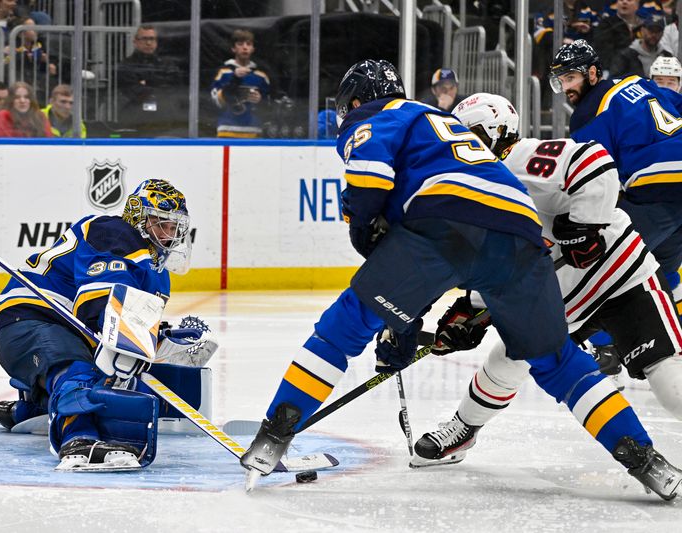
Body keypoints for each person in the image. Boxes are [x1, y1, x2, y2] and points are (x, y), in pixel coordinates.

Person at [239, 59, 682, 500]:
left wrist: (385, 286)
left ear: (356, 101)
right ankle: (644, 459)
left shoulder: (379, 115)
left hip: (447, 225)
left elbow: (372, 187)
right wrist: (411, 322)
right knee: (558, 361)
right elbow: (476, 238)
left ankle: (273, 436)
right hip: (521, 237)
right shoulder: (446, 130)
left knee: (343, 328)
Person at [411, 93, 682, 469]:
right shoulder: (478, 191)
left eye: (470, 135)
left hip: (620, 275)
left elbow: (596, 163)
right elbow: (503, 263)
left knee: (671, 385)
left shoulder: (519, 159)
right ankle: (462, 429)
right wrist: (472, 312)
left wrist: (584, 228)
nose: (464, 147)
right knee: (506, 359)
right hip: (563, 298)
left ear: (497, 131)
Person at [0, 179, 194, 468]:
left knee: (115, 372)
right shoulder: (114, 232)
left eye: (175, 227)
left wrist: (161, 337)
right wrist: (136, 340)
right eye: (161, 223)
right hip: (31, 318)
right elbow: (98, 306)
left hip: (64, 330)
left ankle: (29, 409)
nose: (169, 234)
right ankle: (78, 439)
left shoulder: (157, 271)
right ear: (138, 217)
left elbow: (120, 324)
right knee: (76, 369)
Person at [550, 40, 682, 340]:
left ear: (593, 73)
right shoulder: (637, 81)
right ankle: (673, 340)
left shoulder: (588, 112)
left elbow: (597, 176)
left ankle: (604, 347)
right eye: (561, 81)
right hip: (673, 191)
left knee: (602, 265)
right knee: (661, 267)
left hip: (656, 187)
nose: (566, 87)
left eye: (571, 77)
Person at [116, 24, 184, 136]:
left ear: (156, 42)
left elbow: (176, 88)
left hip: (167, 120)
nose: (148, 43)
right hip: (137, 121)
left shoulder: (167, 64)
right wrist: (157, 85)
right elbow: (134, 92)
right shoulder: (127, 65)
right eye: (144, 39)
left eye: (151, 39)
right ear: (135, 41)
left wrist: (147, 83)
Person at [210, 29, 270, 138]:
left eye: (249, 44)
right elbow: (216, 101)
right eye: (240, 44)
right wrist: (234, 79)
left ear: (253, 49)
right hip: (226, 130)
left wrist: (261, 99)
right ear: (233, 48)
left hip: (254, 130)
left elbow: (271, 105)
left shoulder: (261, 76)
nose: (245, 47)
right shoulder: (224, 73)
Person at [594, 0, 642, 75]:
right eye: (621, 0)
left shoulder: (644, 25)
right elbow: (603, 51)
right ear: (616, 4)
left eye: (629, 0)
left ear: (637, 5)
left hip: (640, 70)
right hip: (613, 71)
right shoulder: (606, 24)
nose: (624, 2)